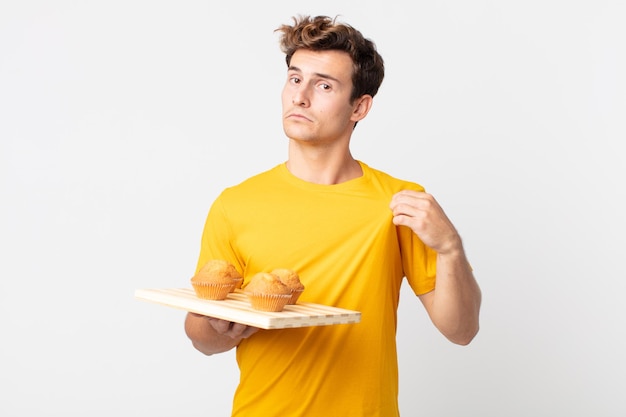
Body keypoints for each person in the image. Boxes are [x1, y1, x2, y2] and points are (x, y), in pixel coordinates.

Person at [184, 15, 481, 417]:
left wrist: (450, 248)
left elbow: (461, 331)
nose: (300, 97)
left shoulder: (399, 202)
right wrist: (219, 328)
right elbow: (201, 338)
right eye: (294, 79)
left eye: (323, 85)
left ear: (359, 106)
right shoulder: (235, 203)